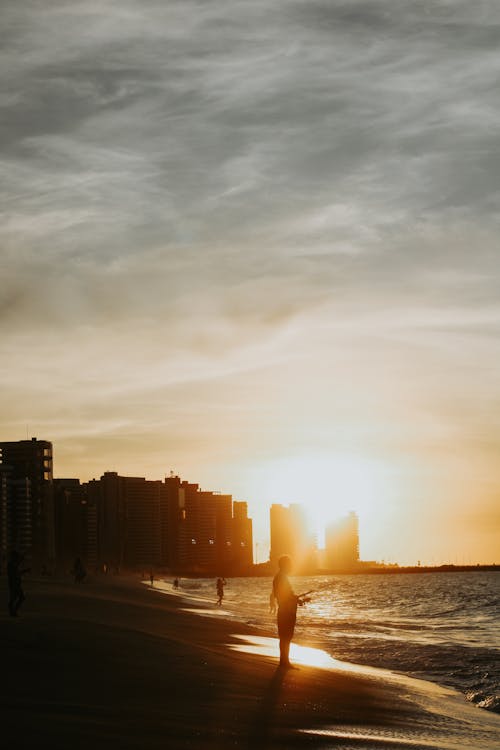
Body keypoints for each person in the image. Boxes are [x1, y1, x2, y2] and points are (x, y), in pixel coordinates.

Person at [272, 555, 308, 668]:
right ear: (285, 565)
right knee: (286, 637)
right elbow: (287, 596)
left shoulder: (278, 577)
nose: (291, 566)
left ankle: (284, 661)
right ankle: (284, 662)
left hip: (283, 610)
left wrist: (298, 600)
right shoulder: (282, 578)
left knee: (284, 637)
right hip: (287, 612)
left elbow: (282, 596)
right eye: (290, 564)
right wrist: (299, 599)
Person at [7, 550, 29, 617]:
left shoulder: (13, 564)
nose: (17, 558)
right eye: (16, 557)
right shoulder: (11, 564)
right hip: (14, 584)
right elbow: (15, 574)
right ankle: (13, 611)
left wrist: (25, 571)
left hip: (16, 584)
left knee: (18, 597)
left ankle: (13, 611)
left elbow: (18, 571)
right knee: (18, 597)